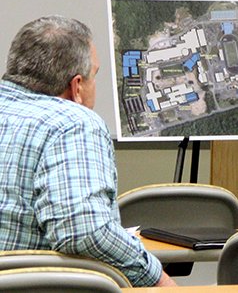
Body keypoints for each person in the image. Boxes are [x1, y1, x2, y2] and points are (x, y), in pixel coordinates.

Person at [0, 15, 176, 287]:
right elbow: (81, 231)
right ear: (77, 86)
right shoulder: (73, 122)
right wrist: (155, 277)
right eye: (95, 75)